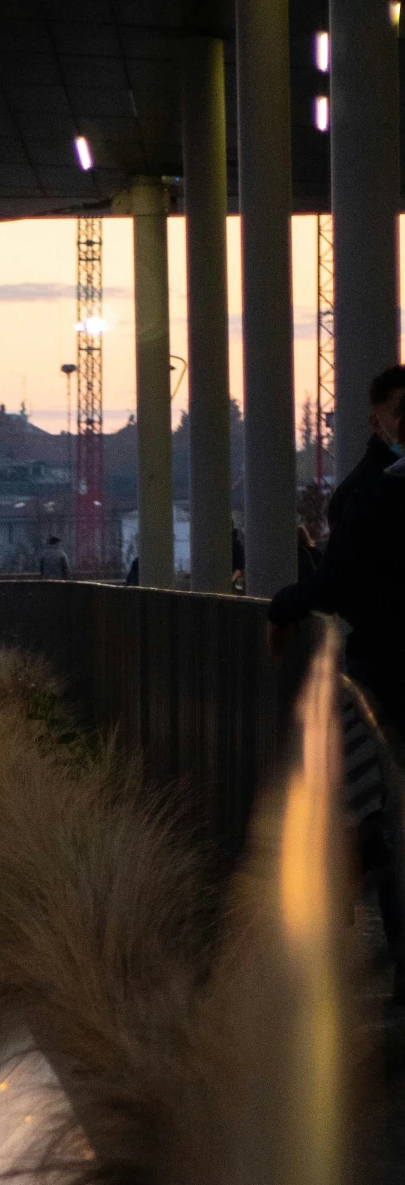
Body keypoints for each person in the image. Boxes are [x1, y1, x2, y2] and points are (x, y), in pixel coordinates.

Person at [269, 360, 405, 994]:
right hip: (384, 666)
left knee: (377, 810)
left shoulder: (369, 490)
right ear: (377, 419)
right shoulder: (375, 490)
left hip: (380, 666)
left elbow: (338, 580)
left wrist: (286, 606)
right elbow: (343, 576)